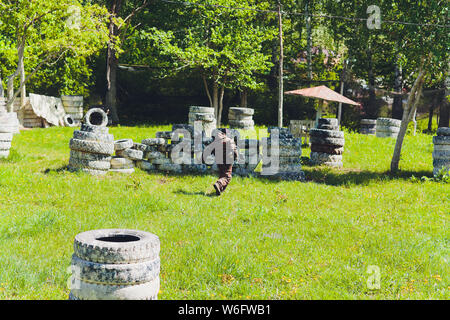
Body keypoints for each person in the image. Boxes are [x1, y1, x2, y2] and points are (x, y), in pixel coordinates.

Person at [207, 128, 239, 196]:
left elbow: (210, 150)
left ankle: (219, 189)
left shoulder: (216, 141)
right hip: (228, 160)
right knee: (228, 176)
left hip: (219, 160)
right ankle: (218, 184)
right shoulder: (229, 140)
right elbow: (234, 150)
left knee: (222, 174)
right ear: (226, 134)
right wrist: (236, 157)